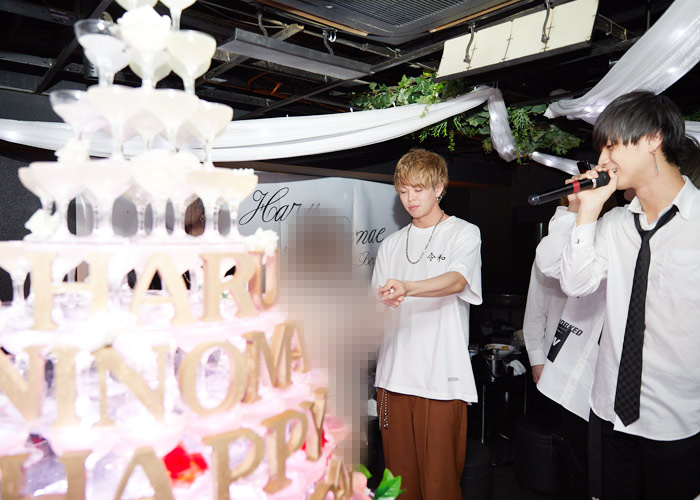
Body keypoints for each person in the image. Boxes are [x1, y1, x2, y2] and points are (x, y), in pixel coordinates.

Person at [557, 91, 700, 500]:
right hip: (609, 413)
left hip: (678, 422)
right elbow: (575, 284)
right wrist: (588, 209)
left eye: (612, 145)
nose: (603, 159)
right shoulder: (616, 223)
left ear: (653, 138)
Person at [371, 149, 482, 500]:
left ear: (439, 188)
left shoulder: (463, 233)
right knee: (398, 487)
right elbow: (376, 309)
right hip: (393, 379)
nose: (410, 198)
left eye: (418, 189)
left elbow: (457, 280)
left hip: (441, 379)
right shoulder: (390, 245)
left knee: (440, 486)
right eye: (404, 190)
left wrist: (408, 287)